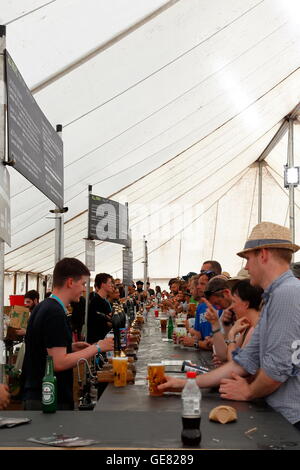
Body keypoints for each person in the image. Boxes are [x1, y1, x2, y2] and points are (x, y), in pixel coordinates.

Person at [159, 222, 300, 429]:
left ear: (262, 254)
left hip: (292, 420)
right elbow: (243, 362)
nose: (246, 267)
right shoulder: (275, 296)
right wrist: (183, 384)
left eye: (247, 259)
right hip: (280, 415)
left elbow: (276, 371)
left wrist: (248, 392)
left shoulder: (287, 293)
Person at [22, 258, 114, 410]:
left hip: (39, 395)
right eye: (83, 284)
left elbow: (43, 348)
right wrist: (97, 347)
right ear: (70, 282)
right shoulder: (54, 313)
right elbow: (58, 362)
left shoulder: (44, 306)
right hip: (48, 400)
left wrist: (69, 347)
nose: (85, 289)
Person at [205, 279, 263, 363]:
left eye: (234, 302)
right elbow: (223, 356)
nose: (231, 307)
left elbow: (234, 364)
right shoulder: (249, 327)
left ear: (246, 304)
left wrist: (232, 335)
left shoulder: (254, 329)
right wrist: (215, 324)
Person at [87, 273, 115, 343]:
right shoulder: (96, 301)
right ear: (103, 284)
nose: (112, 285)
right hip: (97, 344)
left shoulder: (104, 301)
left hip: (103, 341)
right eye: (110, 283)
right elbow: (105, 323)